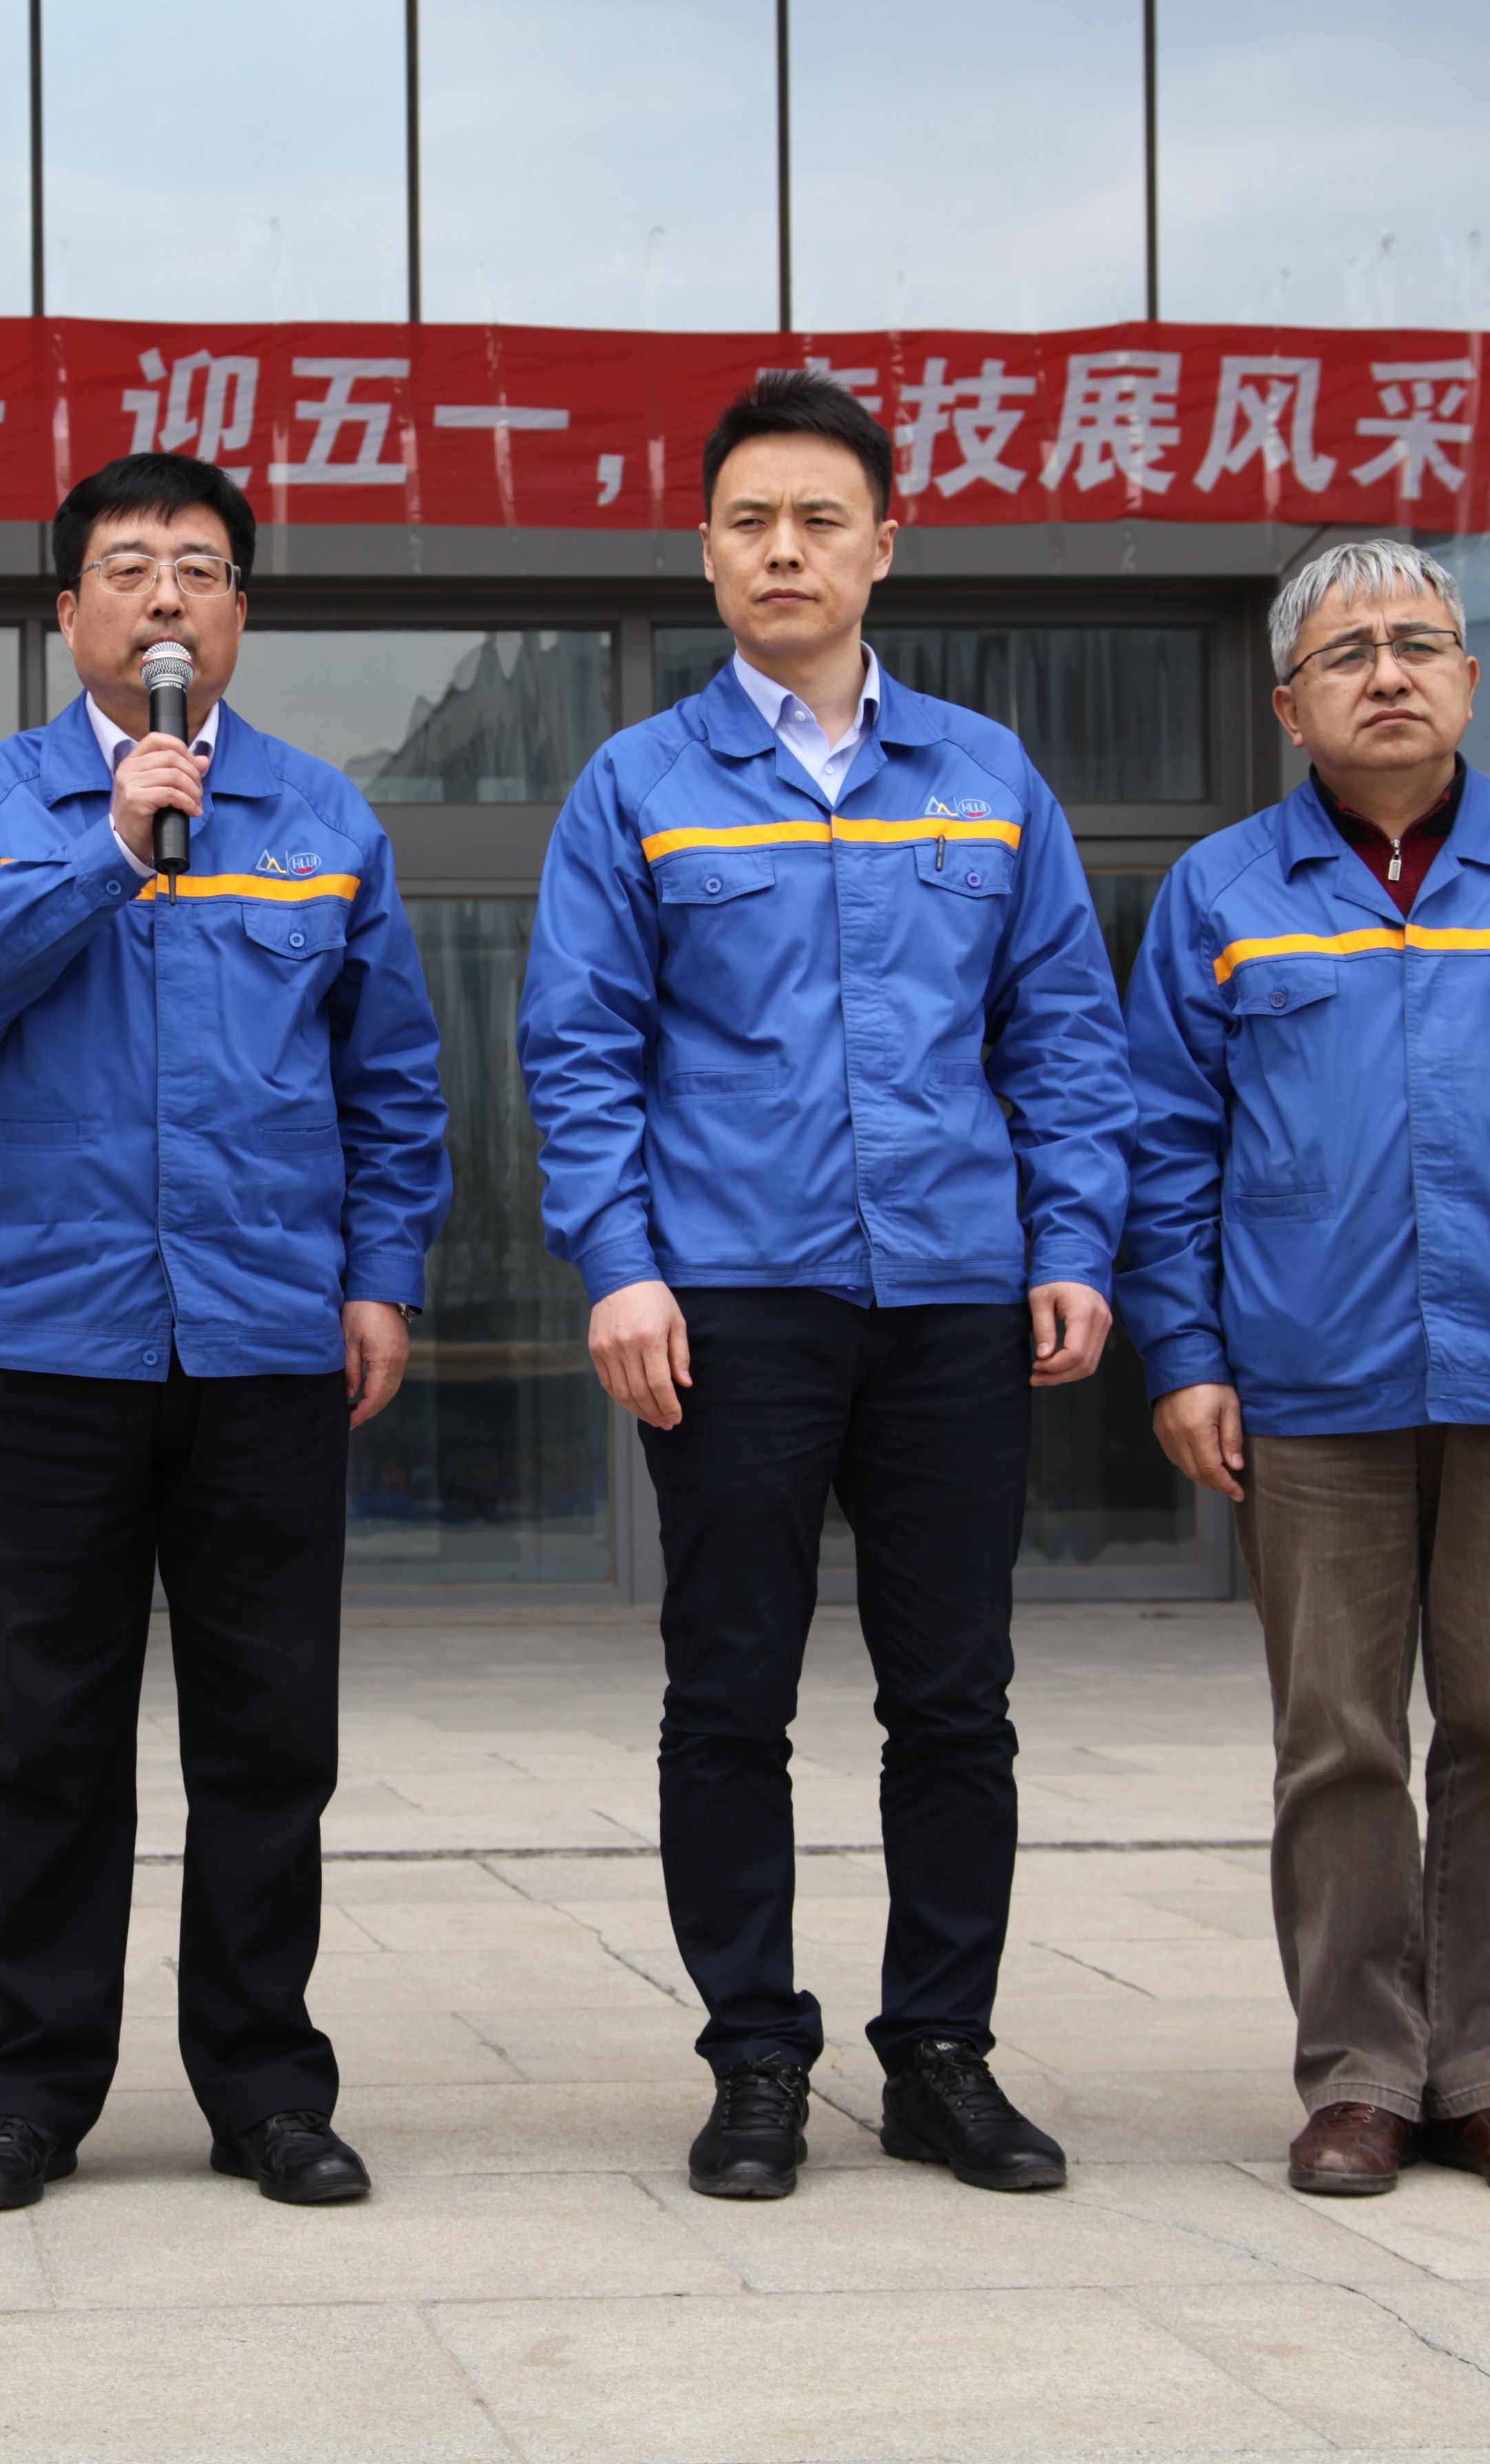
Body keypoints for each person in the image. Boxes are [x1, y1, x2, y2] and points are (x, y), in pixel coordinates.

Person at [516, 370, 1134, 2202]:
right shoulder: (639, 786)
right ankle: (756, 2056)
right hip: (731, 1299)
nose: (783, 549)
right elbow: (578, 1050)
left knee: (955, 1696)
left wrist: (1072, 1241)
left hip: (953, 1297)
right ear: (707, 553)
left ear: (882, 546)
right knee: (729, 1692)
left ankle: (941, 2050)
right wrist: (621, 1265)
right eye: (750, 521)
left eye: (819, 519)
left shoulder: (987, 775)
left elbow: (1064, 1034)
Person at [0, 450, 451, 2213]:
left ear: (240, 611)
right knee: (52, 1737)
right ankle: (33, 2090)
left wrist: (379, 1274)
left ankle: (265, 2084)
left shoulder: (321, 817)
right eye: (127, 567)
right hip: (54, 1342)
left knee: (268, 1736)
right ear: (69, 611)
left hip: (267, 1337)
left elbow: (392, 1076)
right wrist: (110, 846)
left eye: (198, 568)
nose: (164, 598)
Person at [1118, 538, 1490, 2202]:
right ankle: (1363, 2077)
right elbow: (1162, 1147)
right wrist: (1186, 1354)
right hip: (1308, 1383)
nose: (1385, 672)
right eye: (1346, 651)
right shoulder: (1223, 894)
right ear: (1286, 704)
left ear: (1466, 675)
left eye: (1416, 642)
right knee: (1337, 1745)